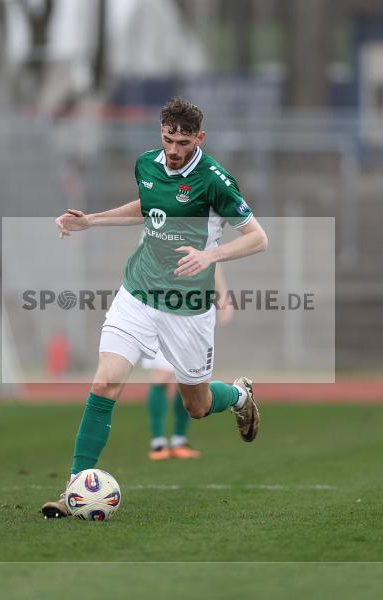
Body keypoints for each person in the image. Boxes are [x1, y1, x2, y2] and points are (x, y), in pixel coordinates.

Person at [42, 97, 268, 518]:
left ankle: (239, 396)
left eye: (183, 142)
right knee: (105, 382)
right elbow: (147, 209)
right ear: (160, 134)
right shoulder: (147, 164)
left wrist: (210, 257)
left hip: (188, 307)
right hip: (139, 293)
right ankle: (73, 487)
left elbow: (258, 238)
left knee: (195, 406)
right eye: (168, 139)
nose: (174, 149)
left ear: (199, 138)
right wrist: (90, 220)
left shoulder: (215, 181)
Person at [144, 262, 232, 461]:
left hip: (193, 310)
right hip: (160, 308)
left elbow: (212, 260)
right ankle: (157, 442)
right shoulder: (154, 232)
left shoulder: (201, 233)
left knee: (187, 378)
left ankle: (178, 440)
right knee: (161, 375)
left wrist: (223, 296)